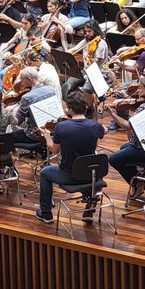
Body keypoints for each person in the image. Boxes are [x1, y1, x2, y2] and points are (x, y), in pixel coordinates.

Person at [35, 96, 105, 224]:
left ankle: (46, 213)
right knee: (94, 166)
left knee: (45, 172)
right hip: (91, 176)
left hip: (70, 175)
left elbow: (54, 150)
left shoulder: (62, 127)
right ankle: (89, 210)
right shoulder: (95, 126)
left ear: (70, 109)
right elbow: (100, 135)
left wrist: (46, 136)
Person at [107, 82, 145, 196]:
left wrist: (113, 114)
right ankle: (139, 176)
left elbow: (127, 126)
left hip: (144, 149)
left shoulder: (144, 107)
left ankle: (137, 182)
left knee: (113, 159)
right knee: (123, 147)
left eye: (140, 88)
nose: (137, 91)